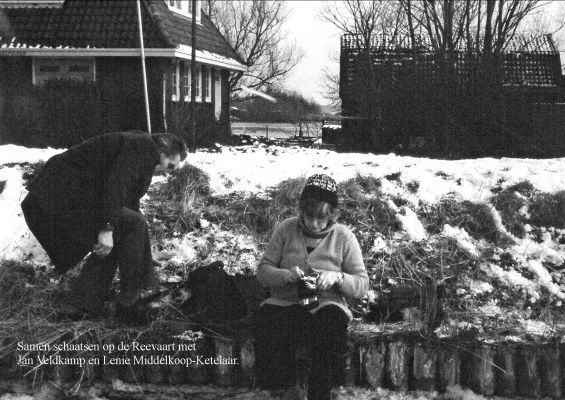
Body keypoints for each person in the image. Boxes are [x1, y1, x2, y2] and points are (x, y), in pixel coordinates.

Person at [21, 131, 187, 318]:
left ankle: (82, 303)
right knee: (129, 226)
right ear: (163, 150)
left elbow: (128, 203)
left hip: (59, 200)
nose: (168, 172)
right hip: (57, 199)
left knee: (124, 229)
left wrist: (141, 251)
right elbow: (115, 186)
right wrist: (107, 227)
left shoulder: (141, 151)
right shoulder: (142, 146)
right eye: (170, 166)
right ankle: (129, 304)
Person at [255, 174, 369, 400]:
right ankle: (286, 389)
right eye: (309, 216)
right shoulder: (286, 229)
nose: (314, 223)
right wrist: (285, 275)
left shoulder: (344, 237)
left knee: (330, 327)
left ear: (333, 215)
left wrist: (337, 278)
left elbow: (362, 284)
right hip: (286, 303)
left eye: (322, 218)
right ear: (301, 210)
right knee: (268, 320)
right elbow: (263, 271)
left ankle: (320, 393)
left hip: (326, 305)